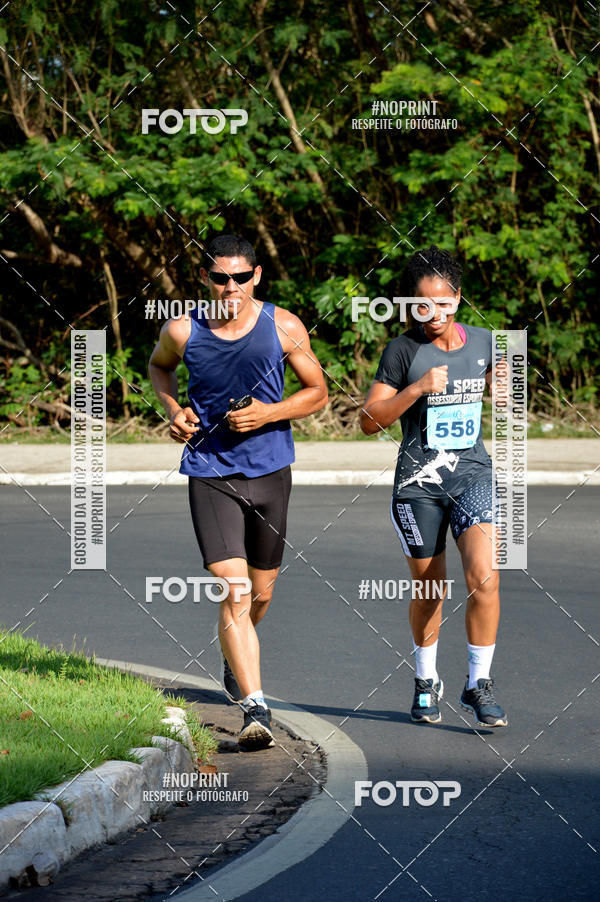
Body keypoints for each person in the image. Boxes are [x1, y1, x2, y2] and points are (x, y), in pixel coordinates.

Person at [149, 234, 328, 749]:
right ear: (205, 279)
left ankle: (236, 649)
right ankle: (255, 710)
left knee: (262, 592)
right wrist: (173, 409)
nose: (231, 287)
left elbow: (318, 391)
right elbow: (159, 368)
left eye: (241, 277)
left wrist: (270, 412)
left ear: (257, 277)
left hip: (271, 471)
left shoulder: (283, 325)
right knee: (236, 590)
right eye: (220, 277)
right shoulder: (182, 330)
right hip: (211, 471)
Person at [360, 245, 508, 728]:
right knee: (430, 587)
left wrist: (502, 386)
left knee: (485, 579)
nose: (433, 314)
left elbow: (505, 397)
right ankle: (426, 681)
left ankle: (477, 684)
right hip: (418, 486)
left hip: (473, 475)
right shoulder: (403, 351)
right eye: (421, 305)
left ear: (458, 299)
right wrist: (416, 390)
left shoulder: (486, 342)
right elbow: (367, 420)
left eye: (442, 303)